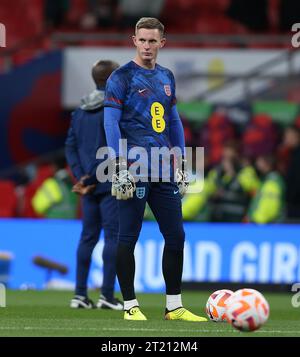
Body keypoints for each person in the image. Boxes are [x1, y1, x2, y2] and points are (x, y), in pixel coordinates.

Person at [103, 17, 207, 322]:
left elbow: (173, 121)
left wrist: (182, 161)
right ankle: (129, 305)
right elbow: (110, 122)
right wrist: (117, 163)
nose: (147, 46)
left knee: (176, 236)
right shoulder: (120, 77)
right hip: (133, 170)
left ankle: (174, 306)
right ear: (134, 40)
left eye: (153, 41)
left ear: (162, 43)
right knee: (128, 237)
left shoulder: (166, 76)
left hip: (163, 170)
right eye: (142, 40)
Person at [65, 60, 123, 310]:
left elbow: (70, 145)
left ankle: (79, 295)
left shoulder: (80, 110)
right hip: (109, 181)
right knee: (112, 237)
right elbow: (113, 144)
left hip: (88, 185)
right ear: (112, 79)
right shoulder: (114, 107)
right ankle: (107, 296)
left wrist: (81, 177)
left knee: (87, 237)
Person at [248, 155, 285, 224]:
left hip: (265, 225)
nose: (257, 164)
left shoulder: (273, 181)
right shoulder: (266, 179)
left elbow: (271, 205)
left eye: (260, 161)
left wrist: (258, 220)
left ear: (267, 163)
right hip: (262, 223)